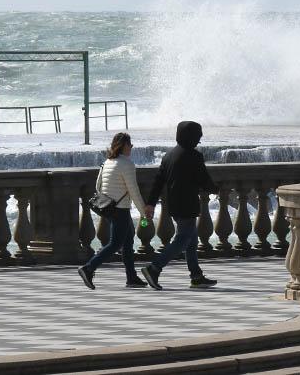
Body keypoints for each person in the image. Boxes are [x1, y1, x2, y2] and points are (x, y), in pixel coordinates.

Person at [140, 121, 218, 290]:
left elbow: (158, 182)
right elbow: (203, 179)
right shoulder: (194, 156)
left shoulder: (168, 156)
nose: (198, 141)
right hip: (188, 204)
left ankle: (196, 276)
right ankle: (154, 268)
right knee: (183, 239)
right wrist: (215, 189)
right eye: (198, 137)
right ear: (192, 137)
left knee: (191, 239)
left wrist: (150, 203)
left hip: (173, 204)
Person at [77, 132, 148, 289]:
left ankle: (131, 277)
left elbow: (98, 187)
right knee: (116, 244)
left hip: (109, 208)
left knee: (128, 241)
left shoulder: (107, 162)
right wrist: (144, 213)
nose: (131, 148)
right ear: (123, 145)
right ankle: (88, 268)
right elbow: (134, 190)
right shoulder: (126, 164)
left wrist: (110, 198)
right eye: (130, 145)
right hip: (121, 209)